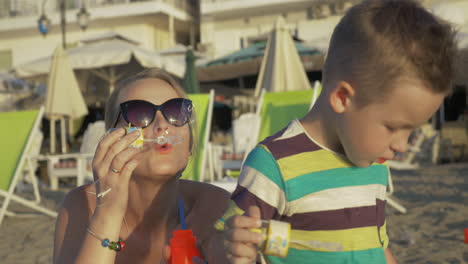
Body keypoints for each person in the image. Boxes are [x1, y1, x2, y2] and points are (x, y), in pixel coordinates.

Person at [219, 0, 456, 263]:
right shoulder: (275, 166)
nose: (402, 145)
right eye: (393, 128)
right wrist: (236, 249)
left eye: (411, 130)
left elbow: (375, 247)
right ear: (343, 98)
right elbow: (224, 244)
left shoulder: (373, 163)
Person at [54, 68, 229, 263]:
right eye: (139, 113)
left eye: (176, 111)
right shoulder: (82, 206)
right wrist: (107, 214)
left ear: (189, 144)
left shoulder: (215, 207)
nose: (162, 124)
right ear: (112, 139)